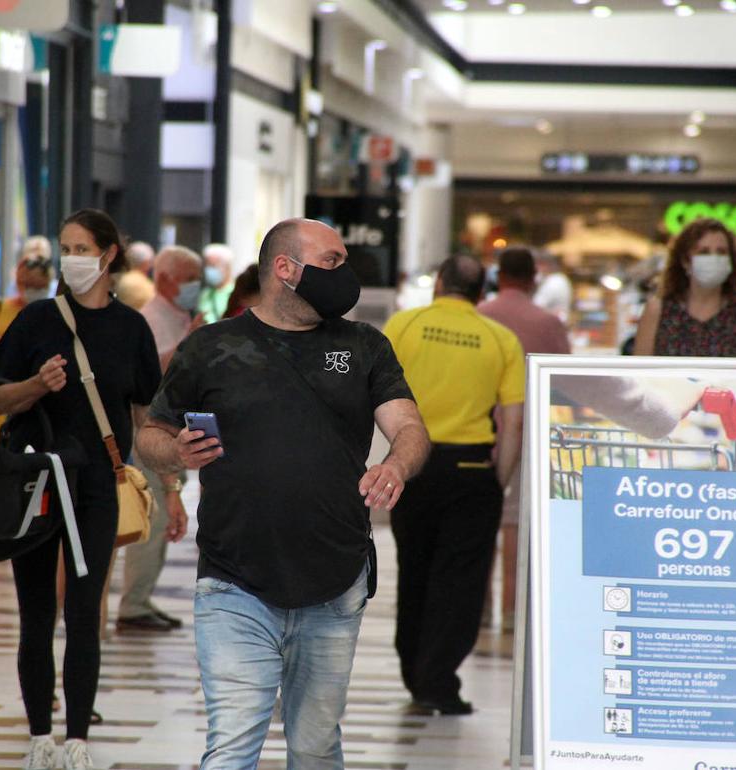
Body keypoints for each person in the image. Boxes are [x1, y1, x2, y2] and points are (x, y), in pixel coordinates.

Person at [136, 218, 430, 769]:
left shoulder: (363, 345)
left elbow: (410, 428)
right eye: (333, 261)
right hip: (234, 580)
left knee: (316, 747)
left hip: (334, 582)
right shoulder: (211, 347)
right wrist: (174, 452)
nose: (347, 275)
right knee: (231, 745)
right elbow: (151, 433)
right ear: (285, 269)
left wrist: (395, 464)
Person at [0, 209, 173, 770]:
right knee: (36, 612)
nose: (71, 258)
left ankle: (78, 740)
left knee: (85, 612)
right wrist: (35, 385)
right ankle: (40, 734)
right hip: (37, 480)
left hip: (96, 484)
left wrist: (172, 486)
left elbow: (145, 414)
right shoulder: (38, 319)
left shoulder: (131, 328)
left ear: (110, 254)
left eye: (82, 248)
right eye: (66, 247)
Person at [383, 255, 524, 715]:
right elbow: (515, 423)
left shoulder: (403, 325)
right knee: (459, 582)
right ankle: (438, 679)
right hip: (470, 472)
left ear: (439, 283)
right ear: (481, 292)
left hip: (413, 466)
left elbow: (370, 394)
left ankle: (414, 671)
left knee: (415, 571)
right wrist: (497, 480)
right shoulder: (500, 340)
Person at [476, 246, 570, 634]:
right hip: (529, 433)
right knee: (516, 523)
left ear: (499, 276)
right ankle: (514, 611)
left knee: (480, 523)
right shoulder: (548, 322)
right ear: (534, 278)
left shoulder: (480, 316)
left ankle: (480, 609)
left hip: (483, 431)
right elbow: (565, 382)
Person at [117, 245, 204, 633]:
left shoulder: (178, 315)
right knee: (152, 519)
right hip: (150, 430)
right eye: (189, 278)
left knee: (164, 517)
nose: (195, 286)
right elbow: (151, 374)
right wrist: (191, 342)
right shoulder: (151, 318)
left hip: (172, 428)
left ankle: (141, 599)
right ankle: (132, 604)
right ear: (166, 278)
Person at [633, 218, 736, 358]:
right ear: (685, 260)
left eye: (721, 252)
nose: (714, 258)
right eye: (704, 252)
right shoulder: (657, 310)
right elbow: (640, 373)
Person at [0, 238, 55, 445]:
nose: (35, 290)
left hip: (39, 390)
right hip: (1, 386)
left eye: (40, 286)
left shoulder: (52, 312)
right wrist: (14, 344)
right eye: (30, 285)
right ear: (19, 282)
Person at [198, 243, 235, 322]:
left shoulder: (236, 293)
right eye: (206, 265)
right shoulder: (205, 294)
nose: (208, 270)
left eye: (212, 265)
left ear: (227, 267)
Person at [115, 240, 156, 311]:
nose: (151, 265)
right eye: (151, 261)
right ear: (146, 262)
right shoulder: (141, 284)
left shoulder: (125, 279)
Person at [533, 253, 572, 324]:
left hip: (551, 325)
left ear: (544, 265)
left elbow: (536, 305)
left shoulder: (554, 282)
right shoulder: (560, 278)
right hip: (556, 323)